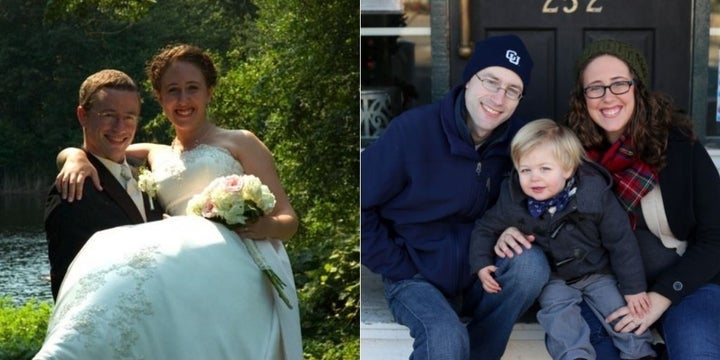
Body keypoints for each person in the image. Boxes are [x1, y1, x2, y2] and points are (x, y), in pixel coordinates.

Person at [34, 44, 302, 359]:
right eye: (173, 90)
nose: (183, 100)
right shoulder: (155, 152)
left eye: (193, 89)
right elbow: (101, 149)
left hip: (233, 269)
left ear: (209, 92)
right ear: (160, 98)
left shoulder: (240, 141)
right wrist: (72, 157)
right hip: (179, 283)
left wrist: (259, 225)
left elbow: (289, 220)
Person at [497, 39, 720, 359]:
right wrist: (507, 228)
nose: (608, 97)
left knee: (696, 351)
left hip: (685, 285)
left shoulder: (679, 144)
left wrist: (662, 296)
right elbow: (523, 194)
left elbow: (715, 238)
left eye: (619, 84)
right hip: (597, 285)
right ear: (582, 97)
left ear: (637, 88)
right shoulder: (565, 152)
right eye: (595, 88)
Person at [361, 34, 550, 359]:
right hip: (416, 275)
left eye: (512, 90)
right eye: (491, 81)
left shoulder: (522, 141)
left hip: (483, 271)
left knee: (531, 267)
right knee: (445, 338)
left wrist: (514, 224)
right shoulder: (413, 132)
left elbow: (549, 201)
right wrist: (398, 264)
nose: (498, 98)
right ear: (469, 78)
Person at [469, 118, 656, 360]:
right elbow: (486, 228)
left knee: (618, 308)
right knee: (558, 316)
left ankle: (641, 353)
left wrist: (634, 288)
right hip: (554, 277)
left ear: (567, 169)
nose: (534, 178)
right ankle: (574, 355)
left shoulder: (594, 193)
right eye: (525, 170)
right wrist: (482, 263)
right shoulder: (513, 199)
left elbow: (621, 241)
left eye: (545, 169)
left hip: (597, 271)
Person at [44, 69, 166, 300]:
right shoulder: (74, 188)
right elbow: (68, 284)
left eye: (129, 117)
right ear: (83, 116)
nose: (120, 127)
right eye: (109, 115)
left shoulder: (145, 174)